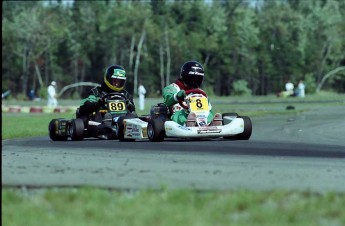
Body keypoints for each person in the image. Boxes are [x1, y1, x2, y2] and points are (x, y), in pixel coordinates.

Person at [162, 60, 222, 127]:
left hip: (200, 115)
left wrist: (209, 113)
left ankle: (210, 124)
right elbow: (167, 101)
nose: (195, 81)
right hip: (178, 113)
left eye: (198, 78)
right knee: (180, 115)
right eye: (192, 78)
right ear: (185, 76)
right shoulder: (172, 87)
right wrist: (177, 96)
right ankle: (188, 123)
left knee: (208, 113)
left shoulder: (201, 93)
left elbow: (209, 109)